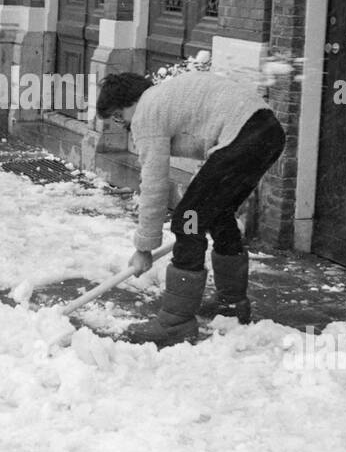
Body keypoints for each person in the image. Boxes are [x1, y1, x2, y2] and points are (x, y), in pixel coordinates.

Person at [95, 70, 286, 346]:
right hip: (268, 133)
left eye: (117, 116)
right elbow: (212, 147)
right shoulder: (167, 98)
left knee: (187, 220)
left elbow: (154, 183)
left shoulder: (147, 112)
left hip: (243, 136)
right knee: (217, 214)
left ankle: (176, 323)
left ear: (129, 102)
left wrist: (144, 247)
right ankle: (232, 306)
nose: (122, 124)